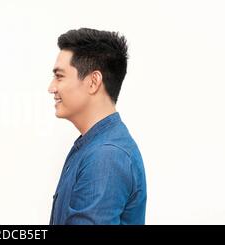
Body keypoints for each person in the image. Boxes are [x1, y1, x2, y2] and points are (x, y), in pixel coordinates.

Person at [48, 28, 146, 224]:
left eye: (59, 76)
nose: (51, 88)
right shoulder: (93, 146)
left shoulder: (106, 156)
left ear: (93, 82)